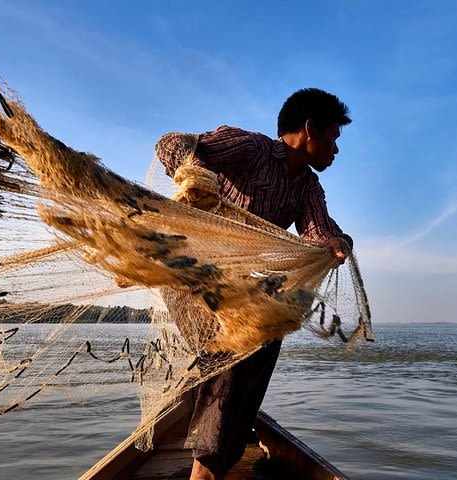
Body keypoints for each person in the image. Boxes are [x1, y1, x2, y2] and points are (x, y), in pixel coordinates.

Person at [155, 88, 353, 480]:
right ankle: (206, 469)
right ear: (310, 129)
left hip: (238, 287)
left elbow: (320, 231)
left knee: (267, 337)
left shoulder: (307, 188)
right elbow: (171, 144)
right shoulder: (251, 148)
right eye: (333, 137)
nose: (336, 149)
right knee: (231, 351)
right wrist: (194, 175)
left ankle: (220, 445)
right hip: (188, 273)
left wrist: (337, 244)